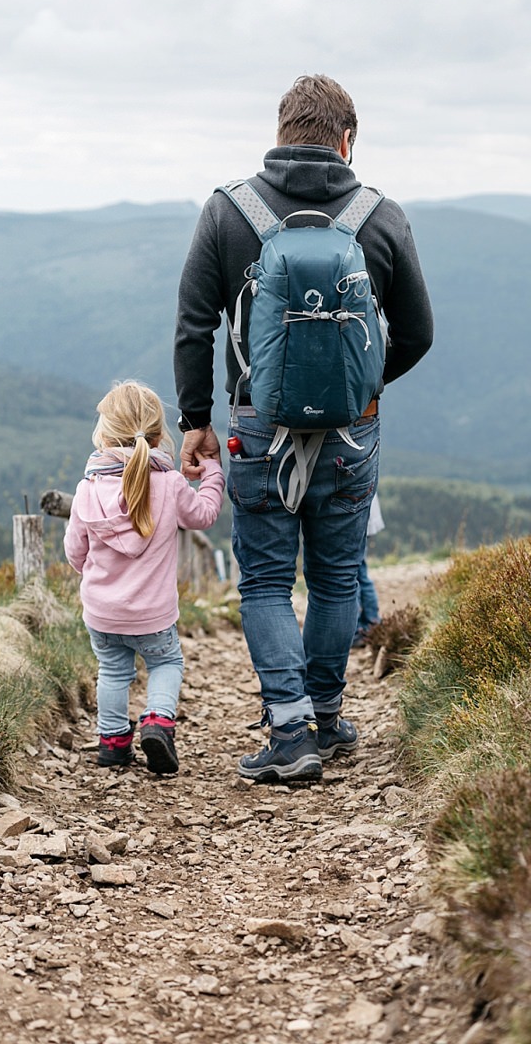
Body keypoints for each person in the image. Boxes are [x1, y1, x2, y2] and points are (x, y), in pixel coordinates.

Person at [174, 75, 433, 783]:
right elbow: (419, 333)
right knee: (334, 577)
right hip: (355, 435)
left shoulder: (227, 213)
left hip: (257, 428)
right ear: (346, 140)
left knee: (262, 581)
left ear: (282, 133)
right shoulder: (382, 217)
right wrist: (361, 388)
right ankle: (327, 717)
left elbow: (196, 326)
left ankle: (289, 733)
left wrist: (196, 420)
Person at [64, 380, 225, 775]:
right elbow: (203, 515)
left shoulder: (87, 490)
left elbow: (74, 553)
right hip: (153, 614)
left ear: (104, 434)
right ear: (157, 435)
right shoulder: (169, 484)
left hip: (102, 612)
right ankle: (157, 723)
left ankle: (113, 743)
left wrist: (100, 580)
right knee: (166, 662)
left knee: (114, 671)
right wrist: (213, 473)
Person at [353, 492, 384, 647]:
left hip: (356, 520)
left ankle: (357, 628)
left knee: (352, 575)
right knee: (361, 574)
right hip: (365, 520)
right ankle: (372, 623)